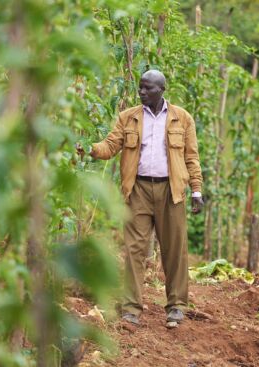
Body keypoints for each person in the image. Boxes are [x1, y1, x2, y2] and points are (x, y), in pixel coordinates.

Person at [77, 70, 203, 326]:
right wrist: (89, 149)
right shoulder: (129, 117)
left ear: (161, 89)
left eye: (147, 88)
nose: (142, 92)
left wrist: (197, 190)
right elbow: (110, 146)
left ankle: (177, 306)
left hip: (172, 191)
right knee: (134, 249)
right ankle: (131, 308)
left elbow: (191, 157)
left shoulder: (182, 118)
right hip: (139, 191)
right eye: (140, 88)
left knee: (174, 250)